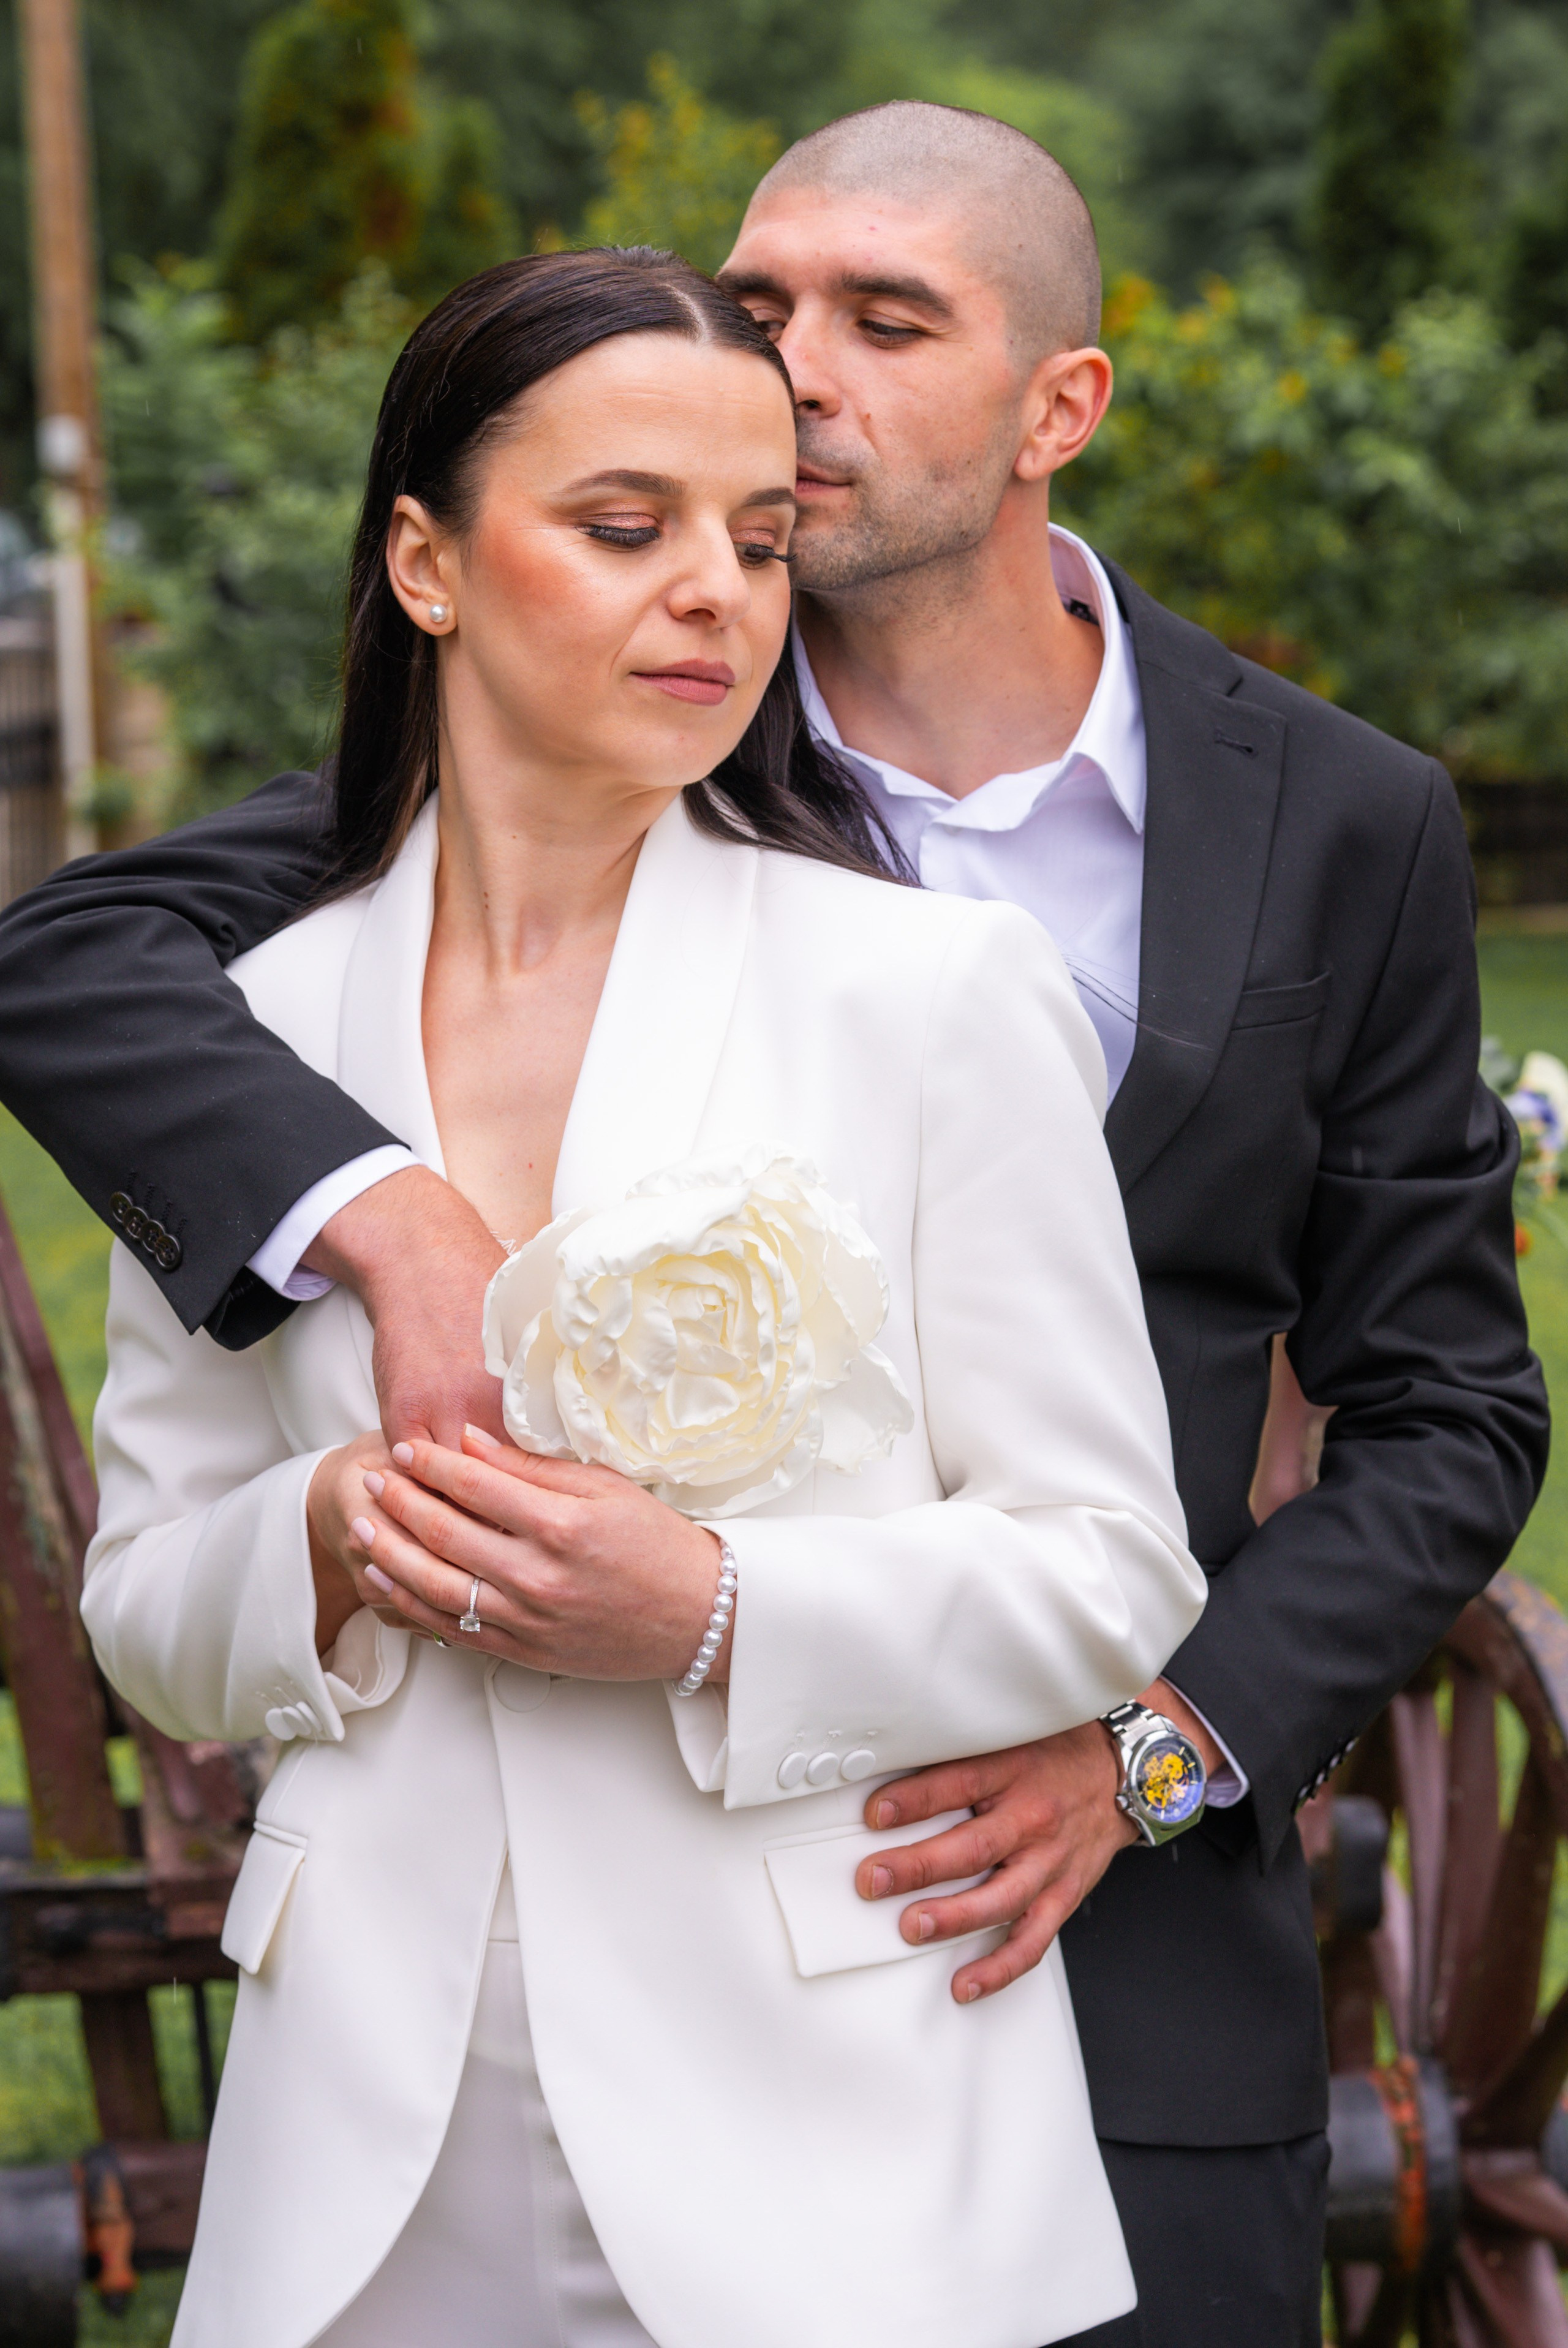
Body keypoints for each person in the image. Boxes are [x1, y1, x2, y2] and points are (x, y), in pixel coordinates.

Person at [0, 104, 1546, 2348]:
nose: (793, 366)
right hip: (484, 2004)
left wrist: (1149, 1751)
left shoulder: (1337, 819)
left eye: (883, 319)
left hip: (1132, 1871)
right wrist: (391, 1227)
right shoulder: (586, 743)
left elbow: (1440, 1407)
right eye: (758, 308)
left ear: (1061, 409)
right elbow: (78, 966)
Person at [75, 245, 1207, 2348]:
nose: (717, 593)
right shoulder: (244, 1034)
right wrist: (319, 1543)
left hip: (834, 2141)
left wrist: (707, 1607)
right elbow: (145, 1603)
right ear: (426, 559)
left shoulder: (931, 996)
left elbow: (1110, 1566)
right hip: (367, 2164)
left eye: (761, 541)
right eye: (625, 529)